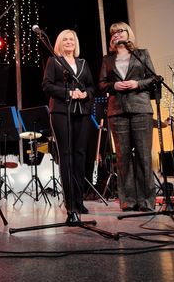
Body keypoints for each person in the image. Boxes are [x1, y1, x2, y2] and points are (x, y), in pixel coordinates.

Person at [98, 22, 156, 212]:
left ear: (128, 33)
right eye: (113, 33)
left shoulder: (142, 54)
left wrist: (137, 84)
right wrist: (113, 86)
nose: (116, 34)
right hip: (117, 111)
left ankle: (146, 201)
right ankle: (128, 200)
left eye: (120, 31)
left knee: (143, 156)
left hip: (140, 108)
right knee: (123, 157)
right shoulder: (107, 59)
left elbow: (153, 79)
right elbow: (102, 84)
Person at [42, 29, 95, 222]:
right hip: (61, 112)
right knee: (66, 156)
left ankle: (80, 201)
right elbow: (47, 86)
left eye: (71, 39)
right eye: (65, 39)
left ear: (76, 42)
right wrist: (69, 93)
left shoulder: (83, 63)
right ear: (59, 43)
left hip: (82, 112)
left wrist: (86, 94)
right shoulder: (54, 61)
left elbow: (91, 86)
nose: (69, 42)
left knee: (80, 155)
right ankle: (70, 203)